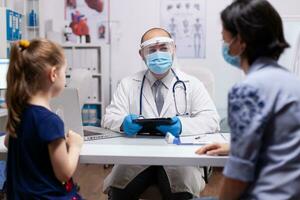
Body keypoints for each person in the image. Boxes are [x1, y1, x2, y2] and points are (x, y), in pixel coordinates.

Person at [195, 0, 300, 199]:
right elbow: (283, 140)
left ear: (240, 41)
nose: (223, 44)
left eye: (224, 37)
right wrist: (234, 146)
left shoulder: (247, 89)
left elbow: (238, 174)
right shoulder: (293, 83)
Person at [102, 28, 220, 200]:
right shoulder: (128, 84)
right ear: (141, 54)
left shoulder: (193, 84)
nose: (158, 54)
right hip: (136, 155)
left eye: (164, 48)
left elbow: (211, 120)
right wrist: (122, 123)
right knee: (119, 191)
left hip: (179, 156)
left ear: (173, 50)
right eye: (151, 50)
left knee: (180, 192)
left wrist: (182, 126)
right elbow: (109, 117)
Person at [4, 39, 83, 199]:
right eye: (64, 72)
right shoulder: (50, 121)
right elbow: (64, 173)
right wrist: (75, 145)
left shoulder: (19, 112)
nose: (65, 78)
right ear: (53, 74)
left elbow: (7, 142)